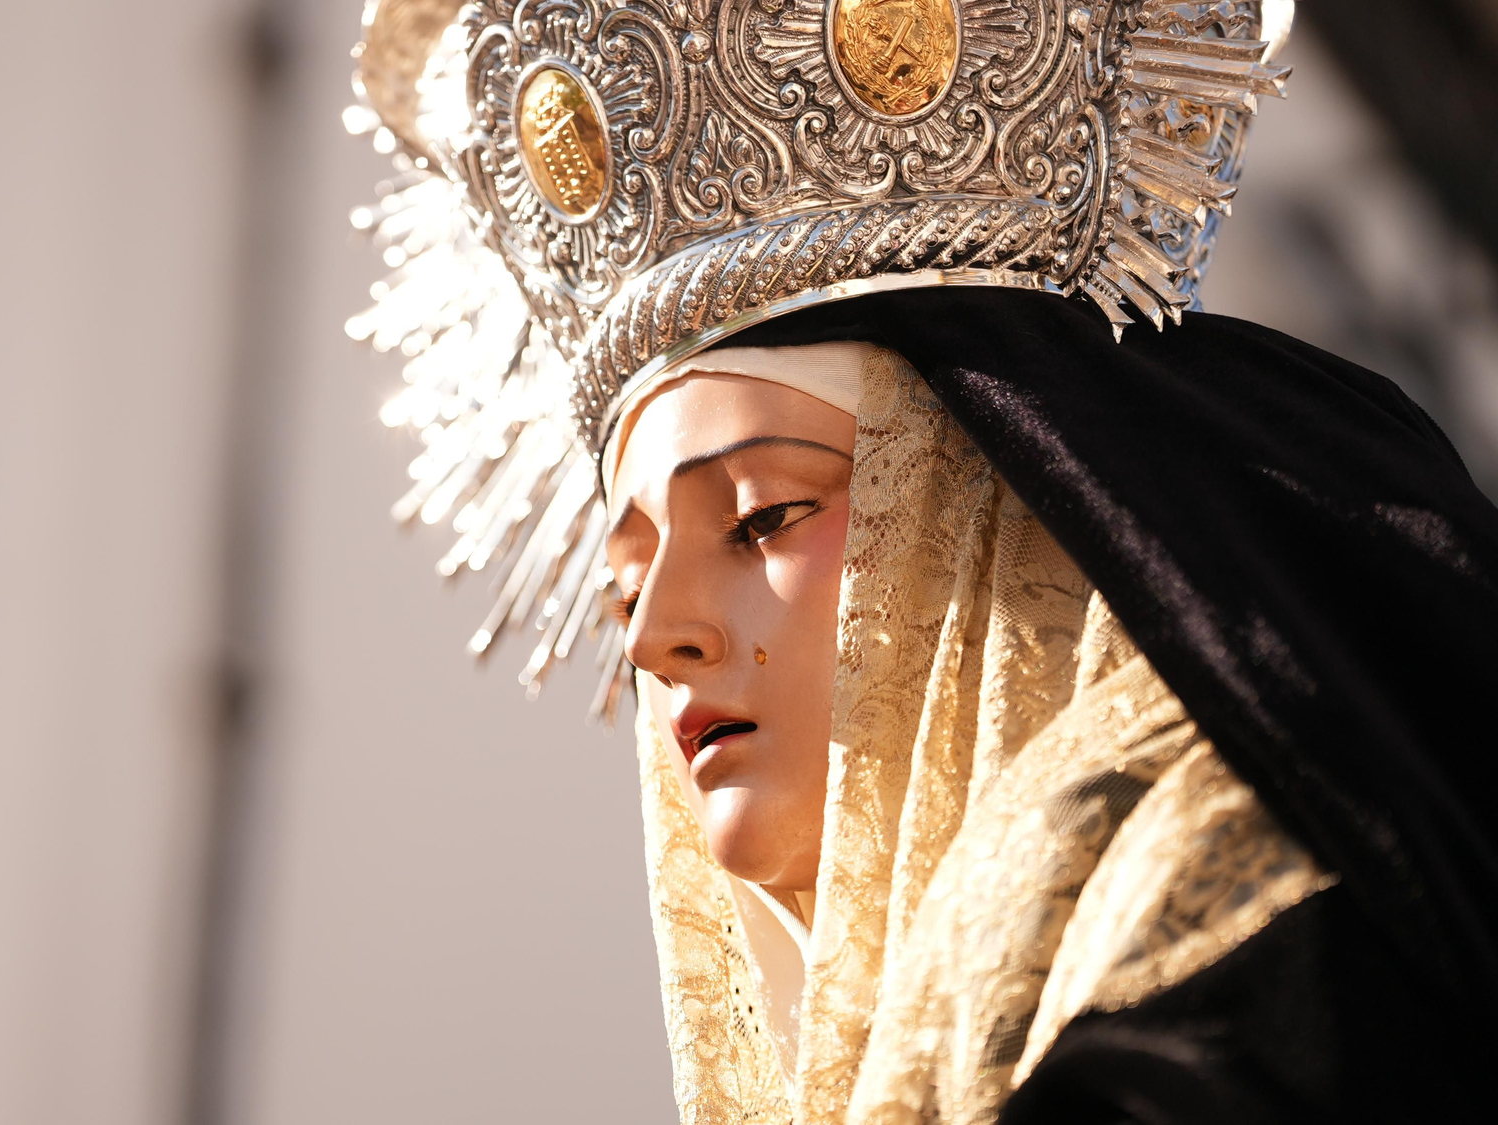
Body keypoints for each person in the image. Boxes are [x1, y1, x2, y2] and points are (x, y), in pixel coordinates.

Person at [349, 1, 1497, 1120]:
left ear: (1015, 515)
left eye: (760, 518)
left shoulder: (1243, 972)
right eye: (622, 588)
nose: (654, 636)